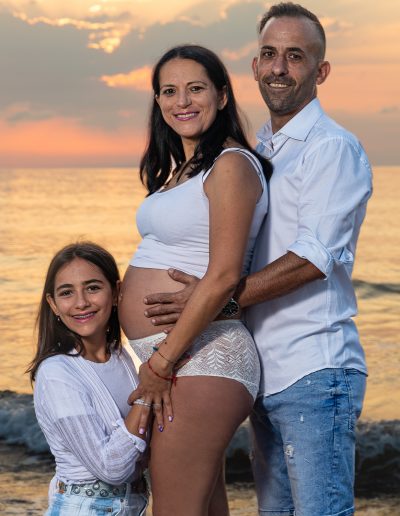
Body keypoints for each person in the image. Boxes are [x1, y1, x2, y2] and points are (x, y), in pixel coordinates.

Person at [141, 4, 373, 516]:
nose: (279, 68)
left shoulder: (331, 148)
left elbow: (313, 258)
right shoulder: (261, 148)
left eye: (296, 56)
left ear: (321, 71)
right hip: (265, 369)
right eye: (269, 54)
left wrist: (214, 302)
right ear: (253, 66)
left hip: (314, 365)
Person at [118, 45, 272, 515]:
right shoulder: (185, 171)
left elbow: (223, 275)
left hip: (201, 356)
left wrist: (161, 363)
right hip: (181, 355)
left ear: (222, 96)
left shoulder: (231, 164)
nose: (181, 101)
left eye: (195, 89)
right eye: (169, 91)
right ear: (158, 101)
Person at [28, 242, 149, 516]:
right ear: (53, 304)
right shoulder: (57, 373)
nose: (81, 302)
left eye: (93, 288)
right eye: (66, 293)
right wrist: (147, 393)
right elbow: (111, 468)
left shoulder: (122, 357)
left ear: (115, 293)